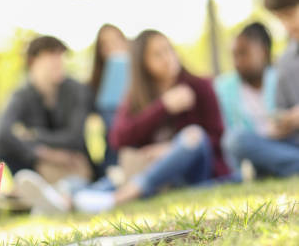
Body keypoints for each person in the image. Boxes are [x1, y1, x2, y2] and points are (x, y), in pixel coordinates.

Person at [15, 30, 230, 214]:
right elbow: (118, 137)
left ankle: (121, 197)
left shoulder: (200, 86)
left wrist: (171, 149)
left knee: (193, 135)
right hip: (158, 175)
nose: (168, 58)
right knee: (116, 177)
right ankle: (63, 200)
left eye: (169, 49)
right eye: (157, 54)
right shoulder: (138, 96)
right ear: (143, 63)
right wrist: (163, 107)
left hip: (195, 171)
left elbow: (216, 138)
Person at [0, 36, 97, 213]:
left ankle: (42, 200)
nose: (58, 61)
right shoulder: (22, 95)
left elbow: (74, 138)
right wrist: (41, 153)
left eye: (60, 56)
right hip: (37, 166)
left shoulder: (77, 90)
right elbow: (2, 134)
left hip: (72, 165)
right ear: (33, 61)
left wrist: (34, 135)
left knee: (73, 184)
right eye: (51, 56)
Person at [213, 22, 299, 177]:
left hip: (288, 142)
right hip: (257, 148)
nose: (237, 62)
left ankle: (282, 167)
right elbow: (227, 131)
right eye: (234, 55)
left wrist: (288, 122)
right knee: (234, 140)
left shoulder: (281, 75)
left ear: (263, 52)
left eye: (244, 53)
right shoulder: (224, 89)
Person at [87, 24, 130, 167]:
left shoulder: (143, 75)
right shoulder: (95, 85)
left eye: (116, 40)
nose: (112, 47)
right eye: (105, 44)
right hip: (114, 151)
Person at [264, 0, 299, 145]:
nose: (287, 25)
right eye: (280, 19)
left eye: (290, 14)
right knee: (237, 141)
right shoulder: (285, 62)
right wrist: (281, 122)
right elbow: (278, 113)